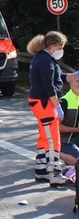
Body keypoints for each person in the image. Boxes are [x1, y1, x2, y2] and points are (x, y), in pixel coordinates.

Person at [27, 31, 79, 186]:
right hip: (44, 103)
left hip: (41, 101)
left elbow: (58, 77)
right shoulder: (45, 61)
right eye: (61, 47)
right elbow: (49, 86)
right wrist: (58, 107)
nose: (61, 50)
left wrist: (73, 75)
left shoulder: (46, 58)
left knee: (45, 138)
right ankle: (53, 174)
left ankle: (42, 171)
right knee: (52, 140)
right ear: (53, 46)